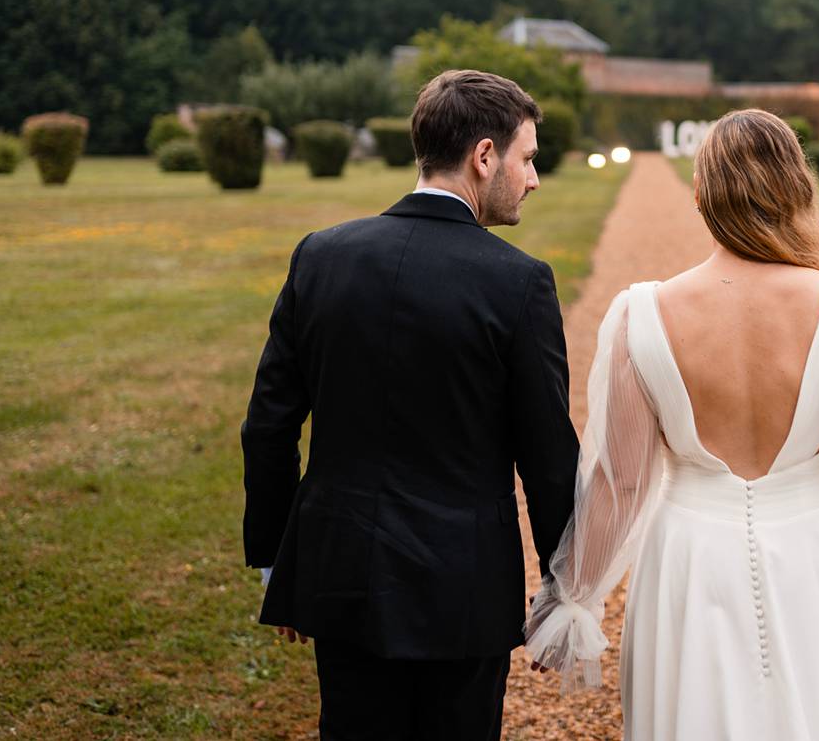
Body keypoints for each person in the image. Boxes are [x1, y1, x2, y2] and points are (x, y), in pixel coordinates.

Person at [525, 108, 819, 740]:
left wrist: (575, 600)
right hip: (818, 553)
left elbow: (621, 484)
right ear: (799, 188)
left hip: (688, 561)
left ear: (703, 198)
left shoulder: (641, 315)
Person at [241, 69, 580, 740]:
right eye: (528, 158)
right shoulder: (518, 283)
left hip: (340, 577)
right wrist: (566, 591)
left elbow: (270, 424)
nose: (534, 178)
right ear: (485, 156)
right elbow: (547, 457)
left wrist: (280, 561)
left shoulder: (321, 257)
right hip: (463, 589)